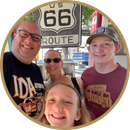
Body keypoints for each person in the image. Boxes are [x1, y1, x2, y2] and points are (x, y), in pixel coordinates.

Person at [81, 26, 127, 120]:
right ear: (89, 50)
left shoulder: (125, 77)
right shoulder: (85, 74)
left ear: (117, 48)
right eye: (94, 45)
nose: (98, 49)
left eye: (106, 44)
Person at [3, 21, 45, 118]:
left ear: (39, 44)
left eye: (35, 37)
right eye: (24, 34)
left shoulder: (37, 69)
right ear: (15, 36)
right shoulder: (4, 63)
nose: (29, 40)